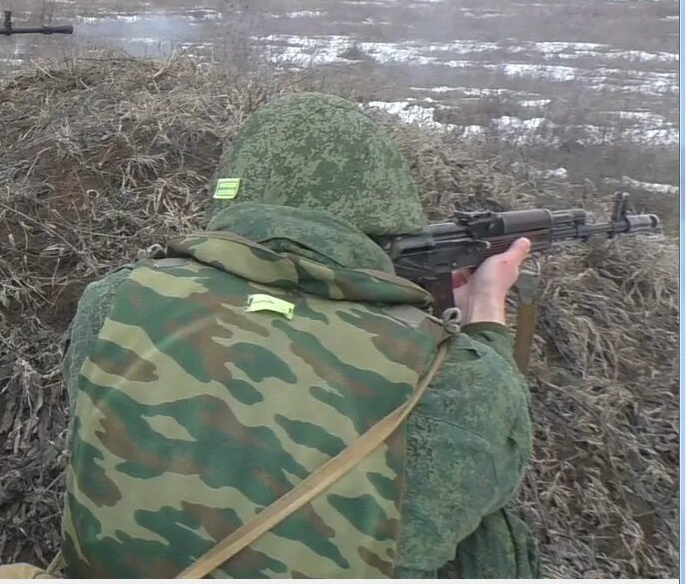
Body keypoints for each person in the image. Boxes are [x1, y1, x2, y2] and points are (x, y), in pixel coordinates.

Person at [61, 92, 537, 578]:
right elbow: (498, 457)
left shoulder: (114, 299)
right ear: (387, 205)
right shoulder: (463, 381)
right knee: (492, 536)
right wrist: (485, 313)